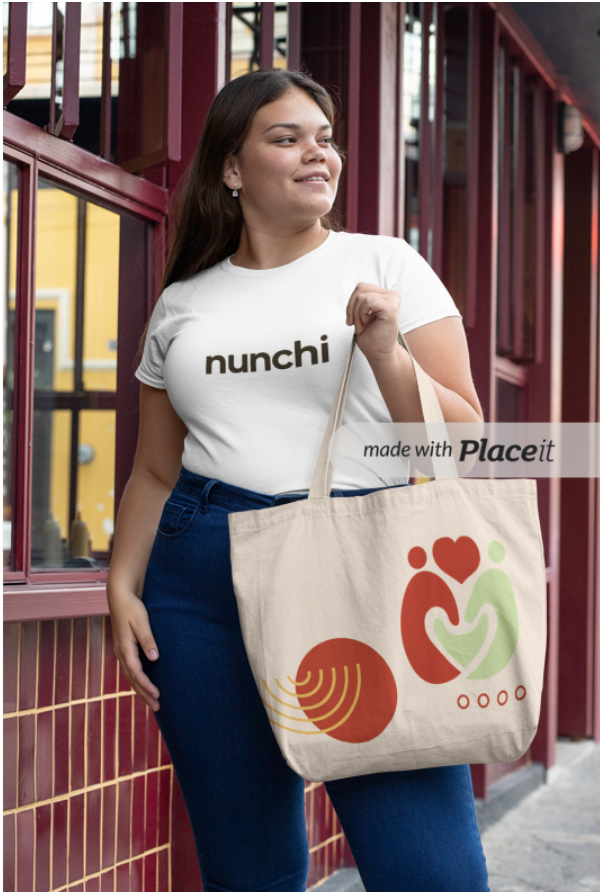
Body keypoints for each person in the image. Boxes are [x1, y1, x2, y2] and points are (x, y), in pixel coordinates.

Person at [107, 68, 492, 893]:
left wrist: (388, 351)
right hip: (204, 578)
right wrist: (122, 584)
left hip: (367, 564)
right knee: (245, 868)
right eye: (287, 138)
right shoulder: (184, 304)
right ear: (232, 169)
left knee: (431, 873)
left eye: (324, 138)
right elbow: (152, 468)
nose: (318, 153)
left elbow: (466, 439)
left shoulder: (387, 264)